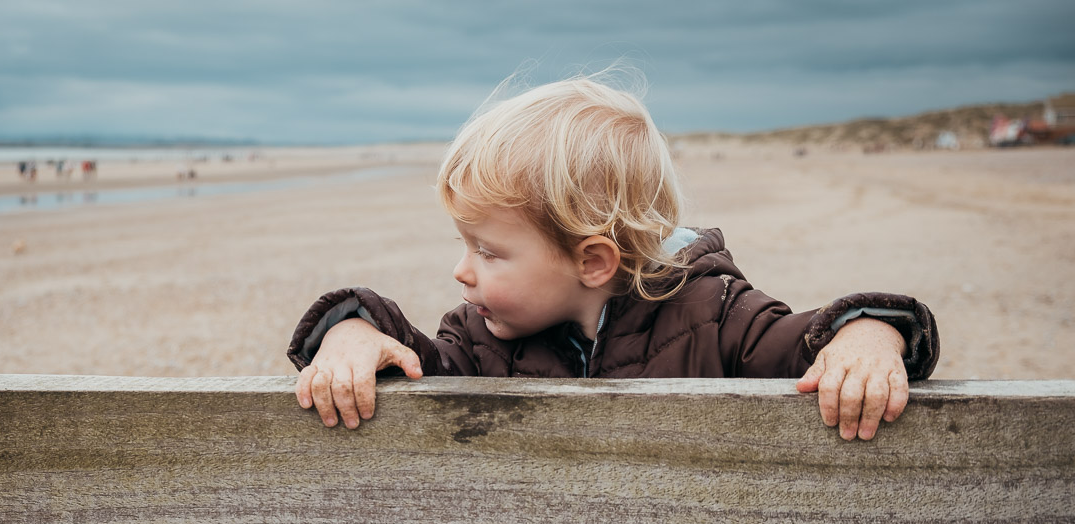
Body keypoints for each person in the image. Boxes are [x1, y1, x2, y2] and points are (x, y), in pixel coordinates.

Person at [287, 75, 939, 441]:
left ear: (593, 262)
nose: (463, 272)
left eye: (488, 250)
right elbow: (419, 363)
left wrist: (873, 333)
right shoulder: (478, 337)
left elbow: (805, 343)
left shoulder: (714, 316)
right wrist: (351, 332)